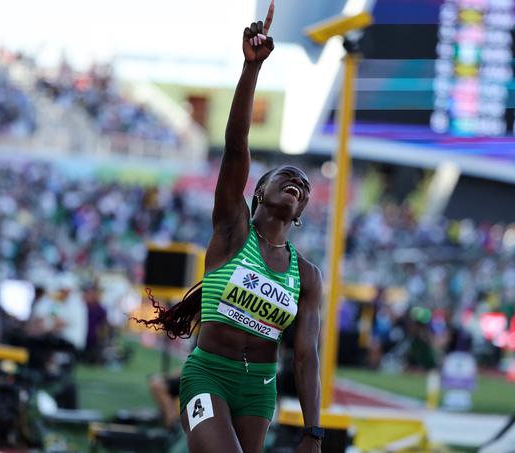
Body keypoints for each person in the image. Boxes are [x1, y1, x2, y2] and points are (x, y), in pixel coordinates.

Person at [134, 2, 323, 451]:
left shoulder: (308, 276)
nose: (297, 182)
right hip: (207, 375)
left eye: (304, 186)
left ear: (299, 215)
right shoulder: (233, 229)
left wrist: (314, 431)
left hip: (259, 390)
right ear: (258, 193)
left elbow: (305, 354)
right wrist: (251, 69)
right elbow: (236, 145)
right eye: (286, 177)